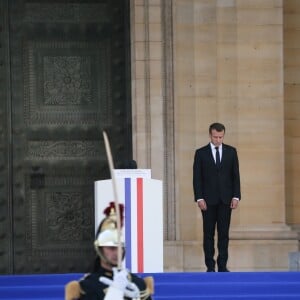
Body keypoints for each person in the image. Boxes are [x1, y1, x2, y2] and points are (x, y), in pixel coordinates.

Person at [65, 203, 153, 300]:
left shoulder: (138, 283)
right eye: (111, 248)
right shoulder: (87, 286)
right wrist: (114, 294)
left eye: (119, 248)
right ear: (100, 250)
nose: (116, 253)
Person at [193, 122, 241, 272]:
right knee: (208, 234)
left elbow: (235, 176)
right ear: (210, 135)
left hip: (226, 200)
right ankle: (210, 266)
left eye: (221, 137)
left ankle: (222, 265)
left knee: (224, 234)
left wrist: (236, 196)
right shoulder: (200, 153)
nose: (218, 140)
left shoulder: (231, 152)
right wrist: (199, 198)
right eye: (215, 137)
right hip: (207, 201)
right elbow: (197, 178)